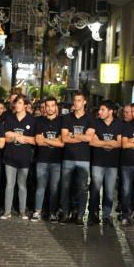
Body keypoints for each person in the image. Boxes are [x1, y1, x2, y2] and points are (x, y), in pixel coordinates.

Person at [60, 92, 95, 223]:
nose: (76, 103)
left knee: (82, 187)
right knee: (65, 187)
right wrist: (81, 137)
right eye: (75, 100)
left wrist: (73, 135)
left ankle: (80, 215)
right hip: (68, 157)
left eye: (79, 100)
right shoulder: (67, 118)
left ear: (84, 102)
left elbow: (89, 138)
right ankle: (65, 213)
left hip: (83, 159)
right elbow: (64, 138)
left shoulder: (90, 118)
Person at [88, 100, 121, 225]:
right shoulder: (95, 123)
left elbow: (119, 143)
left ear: (110, 111)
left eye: (102, 110)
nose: (100, 112)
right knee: (95, 189)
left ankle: (107, 216)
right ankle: (93, 215)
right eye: (99, 110)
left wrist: (100, 142)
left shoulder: (119, 124)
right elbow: (91, 141)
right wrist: (109, 143)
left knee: (109, 191)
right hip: (97, 162)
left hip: (112, 163)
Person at [2, 95, 36, 219]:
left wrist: (21, 137)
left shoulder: (32, 120)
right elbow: (5, 136)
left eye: (20, 103)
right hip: (10, 157)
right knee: (9, 184)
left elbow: (34, 140)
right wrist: (17, 137)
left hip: (24, 158)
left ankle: (22, 211)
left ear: (26, 105)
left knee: (22, 185)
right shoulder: (10, 118)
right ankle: (7, 211)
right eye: (16, 103)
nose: (17, 105)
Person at [33, 97, 64, 222]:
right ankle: (37, 211)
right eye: (48, 106)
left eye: (52, 105)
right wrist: (54, 140)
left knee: (54, 188)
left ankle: (52, 213)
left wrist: (45, 139)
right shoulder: (39, 121)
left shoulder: (62, 121)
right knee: (40, 187)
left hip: (56, 160)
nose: (50, 108)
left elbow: (62, 143)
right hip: (42, 160)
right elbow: (38, 142)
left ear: (56, 107)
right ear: (44, 108)